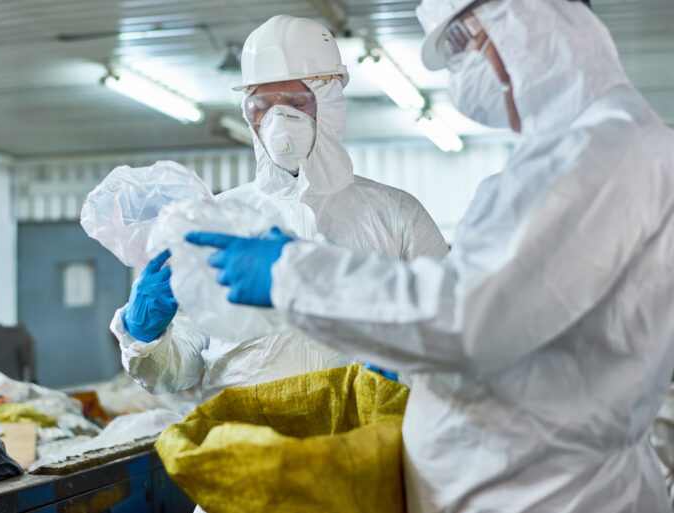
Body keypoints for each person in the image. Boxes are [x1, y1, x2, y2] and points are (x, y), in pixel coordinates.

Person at [187, 0, 674, 511]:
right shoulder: (571, 156)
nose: (460, 72)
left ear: (526, 23)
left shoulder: (598, 156)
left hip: (554, 496)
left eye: (464, 41)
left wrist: (292, 274)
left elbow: (472, 312)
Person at [110, 14, 447, 405]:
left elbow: (454, 322)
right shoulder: (219, 218)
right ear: (247, 112)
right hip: (250, 445)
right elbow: (178, 370)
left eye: (296, 102)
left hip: (365, 442)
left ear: (330, 102)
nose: (278, 119)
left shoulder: (396, 214)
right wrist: (146, 337)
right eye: (263, 105)